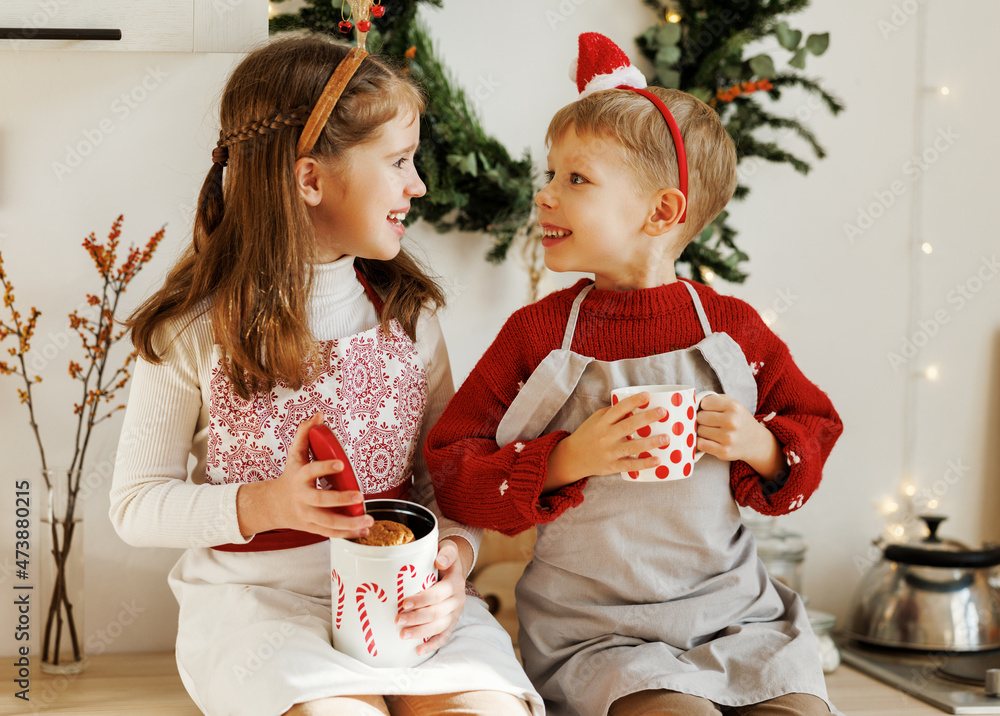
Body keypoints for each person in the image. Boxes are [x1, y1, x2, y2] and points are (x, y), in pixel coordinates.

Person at [109, 32, 540, 716]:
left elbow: (449, 479)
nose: (418, 184)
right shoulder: (192, 327)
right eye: (398, 160)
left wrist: (456, 555)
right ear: (310, 179)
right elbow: (135, 504)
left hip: (405, 600)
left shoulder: (410, 316)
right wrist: (265, 505)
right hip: (260, 611)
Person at [425, 33, 844, 716]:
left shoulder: (732, 329)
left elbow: (816, 426)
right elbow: (452, 467)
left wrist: (761, 447)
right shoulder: (538, 335)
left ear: (661, 211)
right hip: (598, 635)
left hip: (737, 618)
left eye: (576, 179)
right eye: (549, 174)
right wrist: (565, 461)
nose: (545, 196)